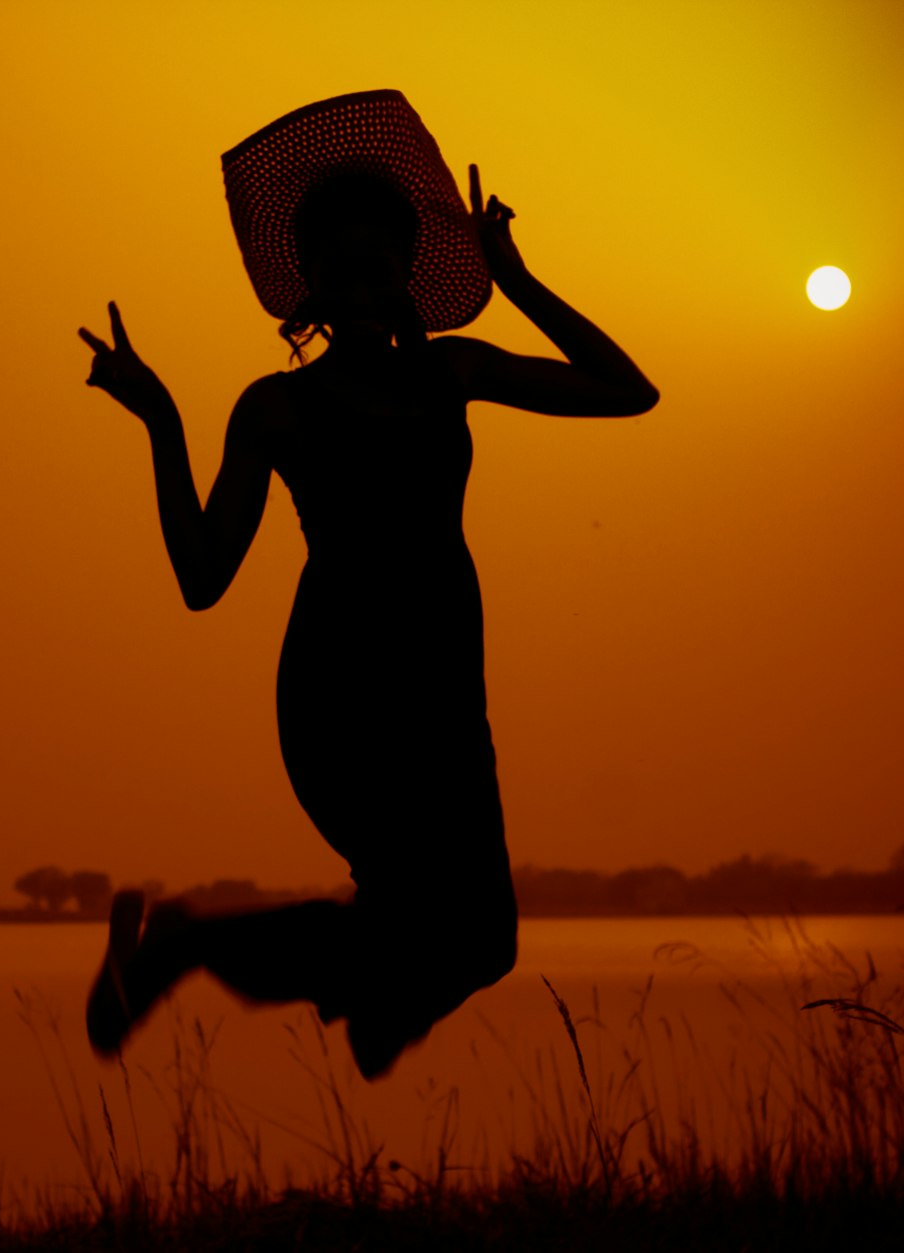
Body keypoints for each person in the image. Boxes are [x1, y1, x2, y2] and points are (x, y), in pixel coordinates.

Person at [78, 91, 658, 1080]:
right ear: (308, 281)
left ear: (404, 273)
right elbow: (202, 575)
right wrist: (161, 419)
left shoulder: (451, 374)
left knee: (484, 943)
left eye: (374, 259)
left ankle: (363, 993)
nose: (355, 278)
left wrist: (512, 274)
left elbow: (625, 390)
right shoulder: (277, 407)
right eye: (335, 265)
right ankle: (191, 940)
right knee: (421, 915)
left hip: (444, 688)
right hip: (343, 687)